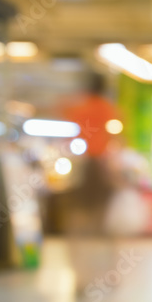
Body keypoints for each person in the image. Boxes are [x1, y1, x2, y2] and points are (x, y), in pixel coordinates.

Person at [63, 72, 122, 236]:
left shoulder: (81, 106)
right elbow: (113, 134)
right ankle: (100, 224)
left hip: (84, 158)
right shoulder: (107, 107)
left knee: (82, 195)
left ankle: (82, 225)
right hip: (102, 159)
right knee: (102, 196)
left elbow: (72, 129)